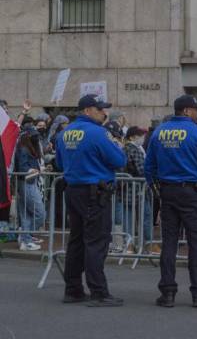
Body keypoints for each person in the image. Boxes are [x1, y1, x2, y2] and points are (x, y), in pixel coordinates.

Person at [145, 94, 197, 308]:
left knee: (169, 243)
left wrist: (156, 190)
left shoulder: (159, 132)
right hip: (192, 194)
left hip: (168, 193)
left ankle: (167, 292)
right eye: (196, 109)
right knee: (196, 244)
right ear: (186, 111)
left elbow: (148, 167)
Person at [55, 94, 127, 306]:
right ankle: (99, 292)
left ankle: (73, 289)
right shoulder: (98, 133)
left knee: (76, 241)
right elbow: (119, 160)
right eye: (100, 109)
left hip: (73, 190)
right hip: (95, 193)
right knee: (96, 242)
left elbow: (60, 162)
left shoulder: (65, 133)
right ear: (87, 110)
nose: (104, 113)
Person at [14, 127, 46, 251]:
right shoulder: (23, 149)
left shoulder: (26, 148)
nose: (36, 138)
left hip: (28, 182)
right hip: (27, 183)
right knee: (40, 213)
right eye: (34, 135)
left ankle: (25, 239)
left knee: (26, 215)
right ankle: (25, 236)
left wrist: (37, 169)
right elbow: (22, 168)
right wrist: (30, 170)